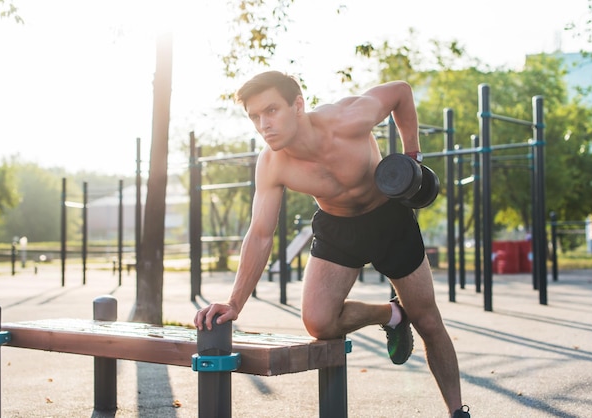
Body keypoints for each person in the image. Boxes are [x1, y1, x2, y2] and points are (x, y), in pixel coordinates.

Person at [194, 71, 470, 418]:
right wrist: (235, 302)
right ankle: (392, 314)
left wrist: (411, 156)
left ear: (298, 105)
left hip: (389, 219)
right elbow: (261, 233)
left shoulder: (347, 119)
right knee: (319, 323)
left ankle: (458, 411)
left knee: (428, 321)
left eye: (271, 110)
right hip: (338, 228)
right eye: (254, 116)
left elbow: (401, 92)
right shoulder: (272, 163)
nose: (263, 124)